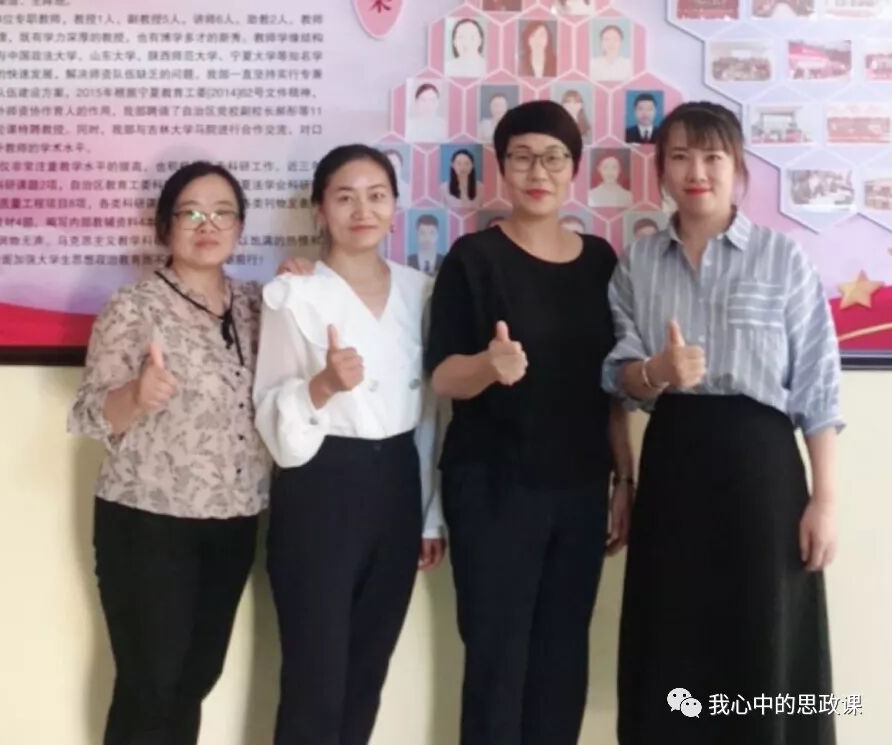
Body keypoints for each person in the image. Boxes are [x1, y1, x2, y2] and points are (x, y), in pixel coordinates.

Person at [603, 101, 840, 745]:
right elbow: (618, 378)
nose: (697, 172)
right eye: (680, 157)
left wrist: (824, 499)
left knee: (763, 632)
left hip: (762, 473)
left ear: (737, 168)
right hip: (674, 471)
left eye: (712, 157)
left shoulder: (782, 258)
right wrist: (655, 370)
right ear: (661, 169)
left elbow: (818, 387)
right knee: (673, 635)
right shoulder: (638, 262)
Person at [426, 99, 634, 745]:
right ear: (501, 167)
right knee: (498, 660)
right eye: (521, 157)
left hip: (579, 488)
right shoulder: (473, 257)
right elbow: (442, 376)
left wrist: (624, 479)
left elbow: (612, 386)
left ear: (574, 167)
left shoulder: (601, 261)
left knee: (562, 658)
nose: (537, 171)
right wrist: (488, 366)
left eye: (553, 157)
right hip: (493, 487)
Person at [68, 161, 272, 745]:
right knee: (150, 685)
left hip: (233, 519)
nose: (208, 224)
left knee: (194, 679)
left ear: (240, 227)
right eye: (191, 212)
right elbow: (89, 412)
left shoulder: (259, 305)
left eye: (223, 213)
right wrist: (136, 394)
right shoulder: (134, 307)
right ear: (166, 225)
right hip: (148, 522)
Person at [253, 144, 446, 745]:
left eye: (376, 196)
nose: (362, 210)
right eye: (344, 197)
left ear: (395, 206)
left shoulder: (422, 292)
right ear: (319, 211)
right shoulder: (293, 294)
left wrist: (429, 516)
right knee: (315, 678)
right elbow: (269, 412)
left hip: (396, 486)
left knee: (368, 671)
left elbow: (431, 413)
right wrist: (323, 386)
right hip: (320, 487)